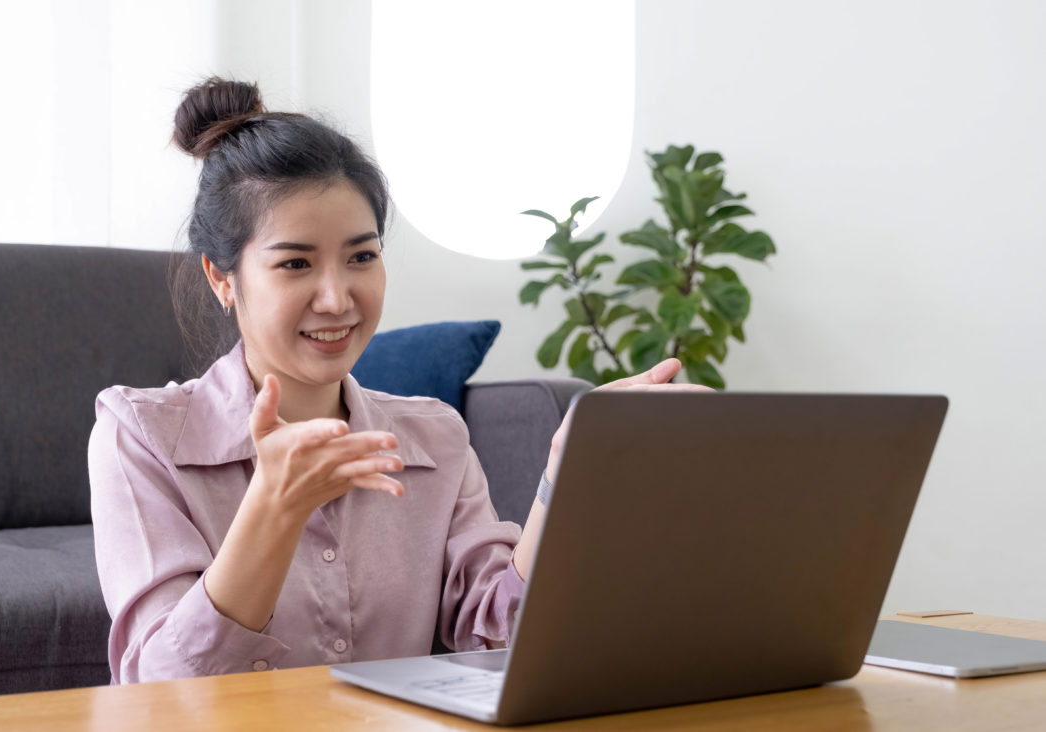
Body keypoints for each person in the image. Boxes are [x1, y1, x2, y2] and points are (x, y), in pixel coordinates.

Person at [88, 77, 707, 684]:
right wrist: (274, 509)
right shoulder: (140, 435)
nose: (337, 298)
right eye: (295, 263)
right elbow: (158, 687)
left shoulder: (434, 436)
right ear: (223, 279)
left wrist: (565, 478)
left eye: (362, 256)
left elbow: (498, 636)